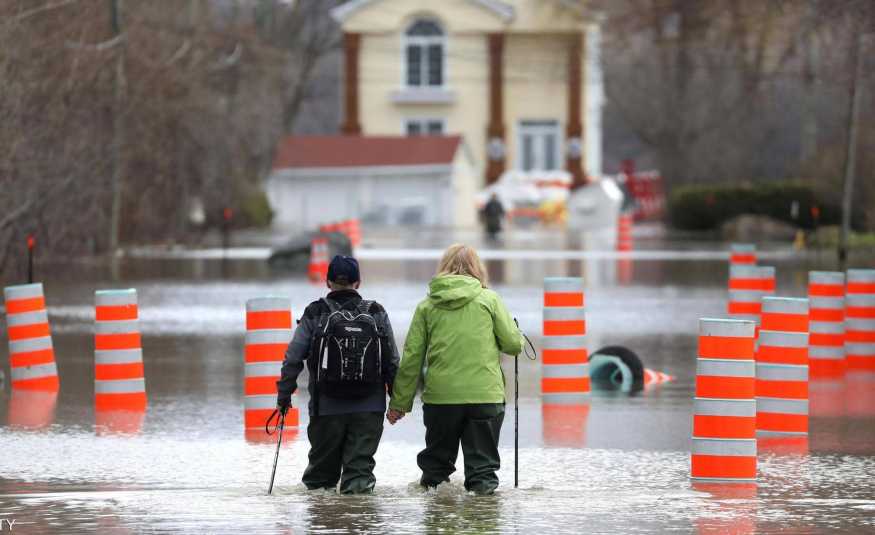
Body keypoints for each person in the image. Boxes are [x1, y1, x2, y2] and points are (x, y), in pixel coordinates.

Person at [387, 244, 523, 495]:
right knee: (482, 472)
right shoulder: (489, 300)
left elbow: (412, 358)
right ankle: (482, 522)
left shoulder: (427, 306)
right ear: (478, 268)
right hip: (485, 397)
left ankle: (438, 522)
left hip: (442, 400)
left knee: (435, 472)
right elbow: (513, 345)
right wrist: (516, 333)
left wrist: (399, 403)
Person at [276, 255, 399, 494]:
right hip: (369, 408)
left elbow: (293, 359)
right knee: (359, 475)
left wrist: (284, 396)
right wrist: (397, 400)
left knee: (320, 481)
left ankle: (323, 522)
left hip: (326, 408)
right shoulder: (376, 312)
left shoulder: (315, 312)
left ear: (327, 282)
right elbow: (392, 360)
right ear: (358, 283)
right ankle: (359, 522)